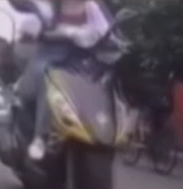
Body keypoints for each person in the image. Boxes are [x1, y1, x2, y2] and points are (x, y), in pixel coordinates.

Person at [11, 0, 112, 160]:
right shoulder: (48, 7)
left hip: (81, 60)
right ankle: (39, 137)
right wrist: (64, 32)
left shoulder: (93, 7)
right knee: (46, 82)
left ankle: (105, 130)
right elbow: (32, 24)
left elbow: (107, 30)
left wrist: (107, 37)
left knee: (103, 79)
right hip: (50, 57)